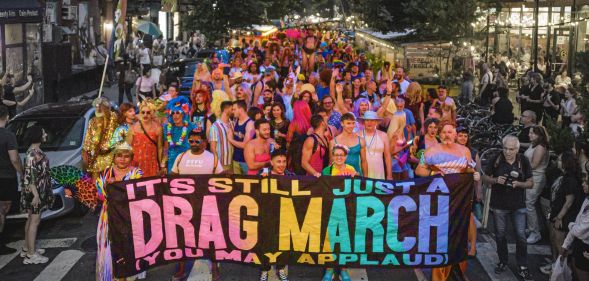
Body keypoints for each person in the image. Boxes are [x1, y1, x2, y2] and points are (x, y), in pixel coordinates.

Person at [415, 123, 481, 281]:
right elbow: (419, 170)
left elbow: (468, 169)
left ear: (455, 134)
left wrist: (474, 174)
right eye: (443, 132)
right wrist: (432, 171)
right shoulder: (432, 151)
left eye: (450, 132)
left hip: (460, 201)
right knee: (440, 237)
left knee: (459, 234)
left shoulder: (464, 151)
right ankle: (439, 276)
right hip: (439, 201)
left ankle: (457, 271)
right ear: (439, 134)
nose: (446, 135)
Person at [169, 131, 222, 281]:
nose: (193, 144)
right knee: (182, 238)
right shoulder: (181, 157)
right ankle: (181, 268)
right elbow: (172, 176)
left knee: (211, 239)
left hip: (206, 206)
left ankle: (214, 268)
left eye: (197, 141)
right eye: (191, 141)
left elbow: (222, 178)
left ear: (204, 142)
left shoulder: (213, 159)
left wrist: (229, 175)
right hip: (184, 206)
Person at [482, 135, 534, 281]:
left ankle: (522, 265)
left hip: (518, 205)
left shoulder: (523, 160)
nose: (508, 152)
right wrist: (495, 180)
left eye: (511, 149)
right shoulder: (496, 158)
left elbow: (531, 183)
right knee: (500, 235)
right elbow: (485, 178)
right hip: (499, 205)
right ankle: (503, 261)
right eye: (505, 148)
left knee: (521, 237)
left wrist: (519, 184)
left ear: (517, 149)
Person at [95, 143, 143, 281]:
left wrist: (116, 185)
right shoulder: (105, 172)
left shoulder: (136, 172)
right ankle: (111, 275)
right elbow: (99, 194)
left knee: (127, 244)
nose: (122, 159)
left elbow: (136, 193)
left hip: (128, 216)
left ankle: (128, 275)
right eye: (119, 156)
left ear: (131, 158)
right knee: (109, 244)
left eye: (126, 156)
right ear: (114, 157)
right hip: (108, 215)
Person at [540, 151, 582, 275]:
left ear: (565, 163)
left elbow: (569, 202)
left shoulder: (570, 180)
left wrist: (559, 217)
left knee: (560, 245)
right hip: (556, 214)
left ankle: (562, 271)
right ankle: (555, 265)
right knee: (553, 239)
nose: (556, 162)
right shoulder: (563, 177)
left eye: (559, 160)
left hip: (563, 218)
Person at [322, 144, 358, 281]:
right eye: (336, 155)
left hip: (347, 210)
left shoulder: (351, 169)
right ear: (332, 156)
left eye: (341, 155)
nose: (338, 157)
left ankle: (343, 269)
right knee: (330, 240)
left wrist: (356, 176)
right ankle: (329, 269)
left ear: (346, 156)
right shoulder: (327, 170)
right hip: (331, 209)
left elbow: (357, 189)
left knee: (345, 240)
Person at [19, 126, 52, 264]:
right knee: (35, 221)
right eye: (43, 132)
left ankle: (27, 248)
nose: (45, 134)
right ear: (38, 136)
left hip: (37, 191)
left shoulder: (35, 151)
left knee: (30, 219)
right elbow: (29, 177)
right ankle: (31, 255)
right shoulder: (32, 154)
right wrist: (36, 196)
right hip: (35, 192)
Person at [258, 149, 291, 281]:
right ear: (271, 162)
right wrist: (261, 178)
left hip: (285, 217)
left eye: (284, 162)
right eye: (278, 161)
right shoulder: (264, 175)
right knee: (265, 244)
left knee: (283, 244)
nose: (281, 164)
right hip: (267, 216)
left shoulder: (291, 176)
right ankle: (265, 270)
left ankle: (281, 268)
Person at [0, 105, 24, 254]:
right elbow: (14, 159)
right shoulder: (8, 136)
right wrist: (21, 173)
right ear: (7, 116)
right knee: (3, 210)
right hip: (6, 178)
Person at [524, 126, 550, 244]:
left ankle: (535, 233)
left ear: (540, 135)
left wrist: (520, 165)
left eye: (533, 133)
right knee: (529, 203)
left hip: (537, 178)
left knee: (529, 204)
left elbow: (534, 165)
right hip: (531, 177)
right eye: (530, 133)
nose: (530, 135)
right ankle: (531, 228)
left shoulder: (540, 147)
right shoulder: (534, 144)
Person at [560, 175, 589, 281]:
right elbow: (578, 222)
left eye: (586, 182)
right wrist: (566, 244)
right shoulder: (586, 199)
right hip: (579, 244)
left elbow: (580, 230)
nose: (583, 184)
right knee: (575, 270)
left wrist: (570, 225)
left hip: (585, 246)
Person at [82, 97, 119, 179]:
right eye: (97, 107)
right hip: (96, 159)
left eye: (100, 107)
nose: (98, 108)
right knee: (97, 187)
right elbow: (87, 141)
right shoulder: (92, 121)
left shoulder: (112, 119)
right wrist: (86, 153)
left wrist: (106, 112)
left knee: (108, 185)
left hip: (110, 159)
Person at [126, 100, 163, 177]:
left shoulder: (158, 128)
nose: (145, 115)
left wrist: (160, 165)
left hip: (152, 165)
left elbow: (160, 148)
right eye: (143, 112)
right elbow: (127, 149)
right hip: (136, 165)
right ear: (140, 113)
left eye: (148, 112)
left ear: (152, 114)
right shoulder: (133, 128)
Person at [163, 96, 195, 172]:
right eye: (173, 113)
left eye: (178, 113)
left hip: (186, 160)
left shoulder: (190, 126)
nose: (175, 116)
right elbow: (166, 147)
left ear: (183, 114)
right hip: (172, 161)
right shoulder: (167, 127)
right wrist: (164, 162)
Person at [358, 111, 392, 180]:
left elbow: (387, 156)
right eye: (367, 120)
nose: (369, 123)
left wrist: (389, 175)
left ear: (376, 122)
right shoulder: (357, 135)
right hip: (361, 171)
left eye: (372, 120)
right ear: (363, 122)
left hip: (378, 170)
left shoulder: (383, 135)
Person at [228, 100, 254, 174]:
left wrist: (230, 140)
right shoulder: (235, 122)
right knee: (237, 184)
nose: (232, 111)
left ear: (241, 109)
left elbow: (245, 145)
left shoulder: (250, 124)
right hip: (236, 160)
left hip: (246, 161)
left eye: (234, 109)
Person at [209, 101, 234, 174]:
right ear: (226, 110)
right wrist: (217, 164)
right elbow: (212, 148)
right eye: (232, 109)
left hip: (233, 162)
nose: (233, 111)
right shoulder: (215, 126)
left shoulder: (233, 123)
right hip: (222, 163)